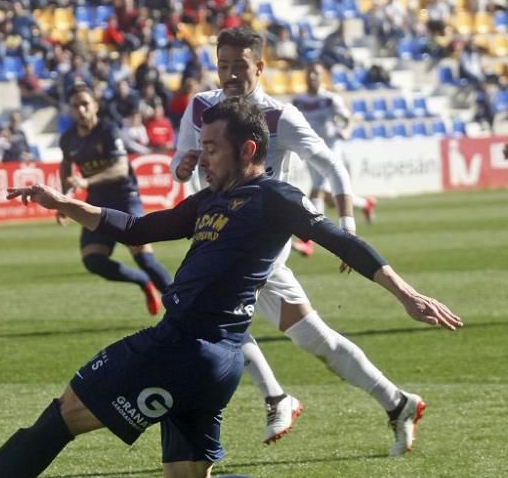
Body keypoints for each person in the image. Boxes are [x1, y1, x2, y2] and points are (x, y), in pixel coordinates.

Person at [0, 97, 462, 478]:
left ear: (246, 148)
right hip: (211, 363)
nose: (202, 157)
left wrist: (407, 294)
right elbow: (138, 229)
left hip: (182, 347)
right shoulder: (210, 202)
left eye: (211, 147)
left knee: (65, 414)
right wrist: (63, 203)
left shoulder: (273, 197)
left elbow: (342, 239)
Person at [172, 27, 424, 454]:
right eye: (223, 65)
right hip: (218, 236)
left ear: (260, 67)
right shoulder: (200, 107)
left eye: (240, 66)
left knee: (202, 316)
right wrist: (185, 166)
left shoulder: (278, 117)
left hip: (259, 243)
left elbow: (330, 164)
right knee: (316, 340)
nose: (230, 74)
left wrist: (347, 222)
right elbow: (179, 162)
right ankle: (397, 402)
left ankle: (276, 398)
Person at [59, 84, 171, 315]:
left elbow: (120, 169)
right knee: (93, 260)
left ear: (95, 106)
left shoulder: (108, 130)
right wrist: (63, 200)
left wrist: (87, 182)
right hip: (97, 202)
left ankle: (186, 308)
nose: (80, 109)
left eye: (85, 104)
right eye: (76, 105)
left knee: (145, 259)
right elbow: (66, 164)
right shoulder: (69, 138)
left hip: (124, 198)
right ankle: (143, 282)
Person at [290, 62, 375, 256]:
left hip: (331, 148)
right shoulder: (298, 101)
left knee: (317, 191)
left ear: (322, 76)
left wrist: (346, 130)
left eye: (316, 73)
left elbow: (348, 117)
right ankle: (366, 204)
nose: (312, 76)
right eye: (309, 72)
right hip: (310, 150)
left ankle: (308, 242)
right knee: (329, 198)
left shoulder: (330, 99)